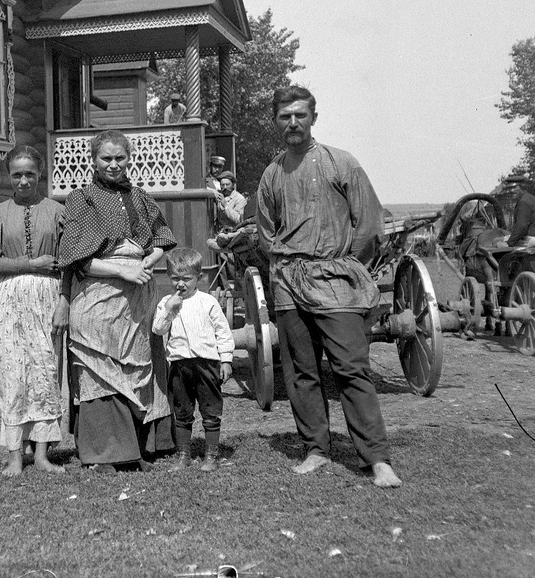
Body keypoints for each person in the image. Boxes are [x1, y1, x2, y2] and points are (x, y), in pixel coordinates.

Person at [255, 86, 402, 488]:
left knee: (352, 369)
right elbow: (266, 233)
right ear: (276, 121)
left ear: (313, 118)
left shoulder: (342, 163)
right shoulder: (271, 174)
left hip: (337, 281)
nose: (293, 123)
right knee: (301, 373)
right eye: (285, 116)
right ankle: (316, 449)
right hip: (287, 283)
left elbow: (369, 226)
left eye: (300, 115)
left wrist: (343, 264)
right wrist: (291, 263)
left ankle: (376, 458)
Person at [57, 129, 177, 472]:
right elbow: (76, 257)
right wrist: (121, 271)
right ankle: (103, 453)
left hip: (137, 296)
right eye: (105, 158)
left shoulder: (140, 196)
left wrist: (145, 263)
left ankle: (137, 448)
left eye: (119, 158)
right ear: (93, 160)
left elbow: (162, 239)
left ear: (129, 158)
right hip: (96, 294)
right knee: (98, 367)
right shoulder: (81, 199)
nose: (113, 165)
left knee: (137, 365)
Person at [0, 145, 67, 477]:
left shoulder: (58, 212)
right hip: (9, 301)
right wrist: (30, 263)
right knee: (11, 373)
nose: (24, 181)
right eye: (17, 174)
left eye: (30, 173)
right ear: (9, 177)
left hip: (47, 299)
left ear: (40, 174)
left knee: (45, 371)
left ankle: (42, 455)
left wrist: (64, 302)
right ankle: (15, 456)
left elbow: (68, 262)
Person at [152, 247, 234, 472]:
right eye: (175, 278)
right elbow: (158, 330)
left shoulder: (208, 302)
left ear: (198, 278)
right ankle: (183, 454)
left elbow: (223, 332)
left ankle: (211, 454)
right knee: (182, 411)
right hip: (179, 365)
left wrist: (226, 360)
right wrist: (168, 308)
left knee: (210, 410)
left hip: (206, 364)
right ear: (169, 277)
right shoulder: (166, 303)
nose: (181, 284)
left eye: (186, 279)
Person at [502, 173, 535, 247]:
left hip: (531, 240)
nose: (510, 191)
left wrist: (509, 243)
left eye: (514, 187)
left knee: (496, 244)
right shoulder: (528, 198)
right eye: (509, 189)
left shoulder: (524, 202)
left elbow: (521, 227)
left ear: (521, 187)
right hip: (534, 237)